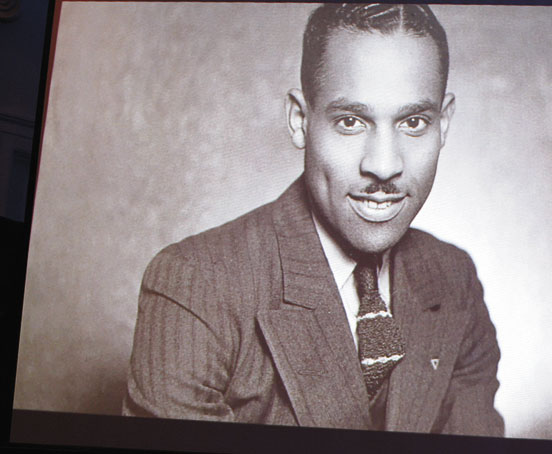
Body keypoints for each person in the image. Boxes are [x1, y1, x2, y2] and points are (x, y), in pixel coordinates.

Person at [123, 3, 503, 436]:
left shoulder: (454, 278)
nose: (383, 165)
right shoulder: (194, 286)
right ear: (300, 120)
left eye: (413, 122)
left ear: (444, 124)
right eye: (350, 121)